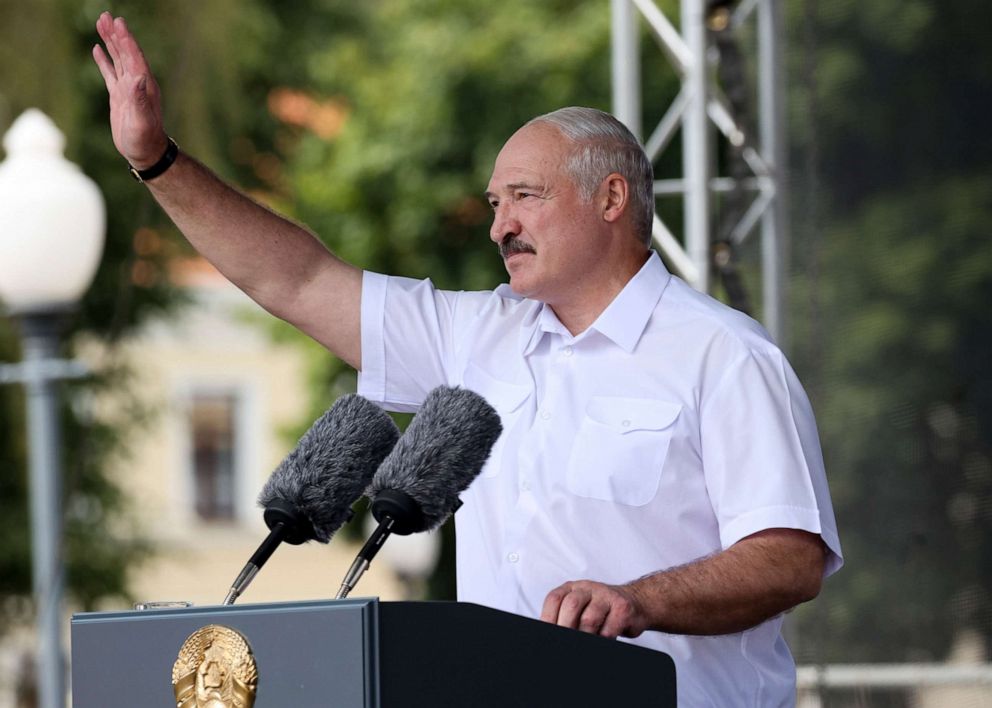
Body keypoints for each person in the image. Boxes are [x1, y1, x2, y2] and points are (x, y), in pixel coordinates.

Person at [93, 12, 842, 706]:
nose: (500, 226)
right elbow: (299, 279)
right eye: (493, 204)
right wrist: (158, 162)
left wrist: (639, 600)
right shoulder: (477, 334)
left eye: (524, 196)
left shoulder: (724, 355)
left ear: (611, 199)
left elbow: (789, 557)